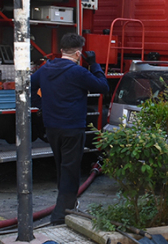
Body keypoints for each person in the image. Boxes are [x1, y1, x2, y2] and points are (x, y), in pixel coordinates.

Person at [30, 33, 109, 225]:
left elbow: (29, 86)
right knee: (70, 170)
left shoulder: (45, 69)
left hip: (52, 127)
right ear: (77, 53)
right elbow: (103, 87)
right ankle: (61, 215)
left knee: (61, 167)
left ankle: (66, 206)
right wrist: (94, 65)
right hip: (73, 127)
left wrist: (41, 106)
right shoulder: (78, 72)